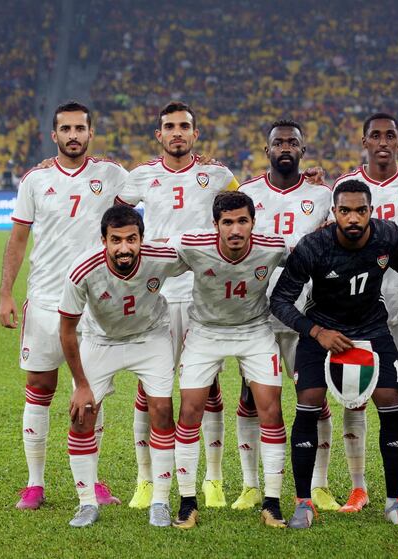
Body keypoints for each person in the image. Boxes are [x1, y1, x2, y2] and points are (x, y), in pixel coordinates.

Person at [271, 179, 398, 529]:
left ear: (371, 211)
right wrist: (316, 332)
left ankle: (393, 502)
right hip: (323, 330)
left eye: (361, 210)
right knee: (307, 402)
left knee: (390, 402)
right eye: (345, 211)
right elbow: (279, 300)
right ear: (334, 213)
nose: (353, 218)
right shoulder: (314, 246)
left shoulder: (388, 237)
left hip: (372, 328)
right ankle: (303, 502)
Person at [0, 101, 126, 510]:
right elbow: (18, 240)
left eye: (80, 128)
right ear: (54, 135)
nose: (73, 135)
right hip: (47, 301)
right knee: (40, 389)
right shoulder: (34, 180)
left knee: (92, 394)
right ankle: (35, 484)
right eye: (66, 129)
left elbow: (160, 187)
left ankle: (91, 482)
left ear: (91, 133)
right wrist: (5, 293)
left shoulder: (111, 174)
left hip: (95, 303)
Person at [116, 101, 240, 509]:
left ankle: (214, 479)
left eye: (184, 126)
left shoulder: (218, 175)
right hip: (156, 295)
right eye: (169, 126)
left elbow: (252, 204)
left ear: (194, 133)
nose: (177, 133)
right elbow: (110, 212)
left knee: (207, 388)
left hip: (204, 295)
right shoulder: (141, 177)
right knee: (148, 386)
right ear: (159, 135)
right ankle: (145, 479)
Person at [332, 113, 398, 514]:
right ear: (363, 140)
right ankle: (358, 488)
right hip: (356, 313)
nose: (382, 141)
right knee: (353, 396)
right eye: (374, 135)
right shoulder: (345, 186)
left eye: (389, 135)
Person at [167, 191, 290, 529]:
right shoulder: (193, 246)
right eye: (227, 222)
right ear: (215, 225)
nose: (235, 229)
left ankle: (272, 502)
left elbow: (311, 253)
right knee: (190, 409)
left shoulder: (273, 246)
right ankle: (188, 501)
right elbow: (153, 257)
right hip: (206, 332)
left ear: (253, 222)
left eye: (242, 221)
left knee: (271, 408)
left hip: (255, 331)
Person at [59, 206, 186, 527]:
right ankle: (86, 503)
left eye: (132, 239)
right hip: (101, 342)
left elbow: (202, 253)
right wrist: (81, 384)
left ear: (142, 239)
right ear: (104, 240)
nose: (124, 247)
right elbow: (66, 330)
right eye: (116, 240)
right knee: (82, 415)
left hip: (151, 337)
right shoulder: (83, 270)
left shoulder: (162, 256)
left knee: (161, 410)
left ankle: (160, 500)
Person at [236, 119, 337, 511]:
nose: (285, 147)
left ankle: (321, 483)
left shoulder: (322, 194)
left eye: (292, 142)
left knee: (314, 397)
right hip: (257, 314)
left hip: (304, 315)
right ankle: (249, 484)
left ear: (302, 150)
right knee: (250, 398)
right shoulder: (246, 193)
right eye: (278, 142)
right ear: (267, 150)